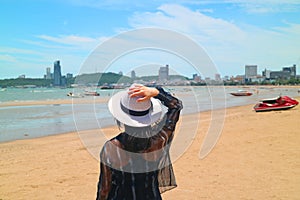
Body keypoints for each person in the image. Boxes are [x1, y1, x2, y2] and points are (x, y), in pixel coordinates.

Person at [96, 84, 183, 200]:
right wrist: (156, 92)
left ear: (121, 117)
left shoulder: (112, 147)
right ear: (149, 114)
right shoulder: (159, 140)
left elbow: (104, 189)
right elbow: (175, 106)